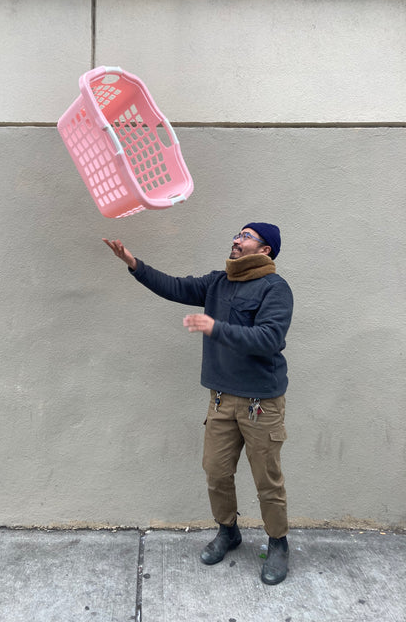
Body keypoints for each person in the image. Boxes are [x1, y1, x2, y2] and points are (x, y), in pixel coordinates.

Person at [102, 222, 293, 585]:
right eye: (238, 233)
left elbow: (268, 338)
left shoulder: (276, 288)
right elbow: (175, 286)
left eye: (246, 236)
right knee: (216, 471)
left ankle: (278, 543)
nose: (236, 239)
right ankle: (228, 531)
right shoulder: (218, 282)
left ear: (265, 250)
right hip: (221, 398)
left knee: (267, 479)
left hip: (260, 403)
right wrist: (133, 263)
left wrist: (215, 327)